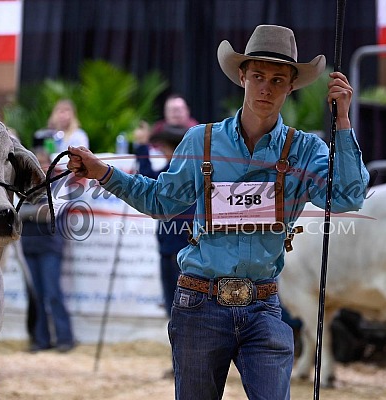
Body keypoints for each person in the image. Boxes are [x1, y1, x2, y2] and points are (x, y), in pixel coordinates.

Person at [67, 25, 369, 400]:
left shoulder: (305, 149)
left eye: (278, 79)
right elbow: (162, 201)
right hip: (199, 304)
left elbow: (347, 197)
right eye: (258, 76)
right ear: (242, 76)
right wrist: (104, 173)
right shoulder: (202, 141)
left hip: (263, 307)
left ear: (291, 86)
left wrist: (341, 121)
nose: (266, 88)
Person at [133, 121, 195, 318]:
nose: (162, 151)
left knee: (177, 304)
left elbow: (146, 184)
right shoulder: (189, 170)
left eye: (164, 147)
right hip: (181, 246)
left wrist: (142, 147)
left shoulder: (174, 173)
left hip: (176, 248)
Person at [20, 148, 75, 353]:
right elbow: (14, 213)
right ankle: (40, 340)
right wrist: (35, 211)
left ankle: (65, 338)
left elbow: (49, 214)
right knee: (35, 296)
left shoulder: (59, 183)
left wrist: (27, 212)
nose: (40, 167)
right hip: (28, 246)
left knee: (52, 293)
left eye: (44, 162)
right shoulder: (22, 184)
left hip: (50, 246)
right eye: (36, 162)